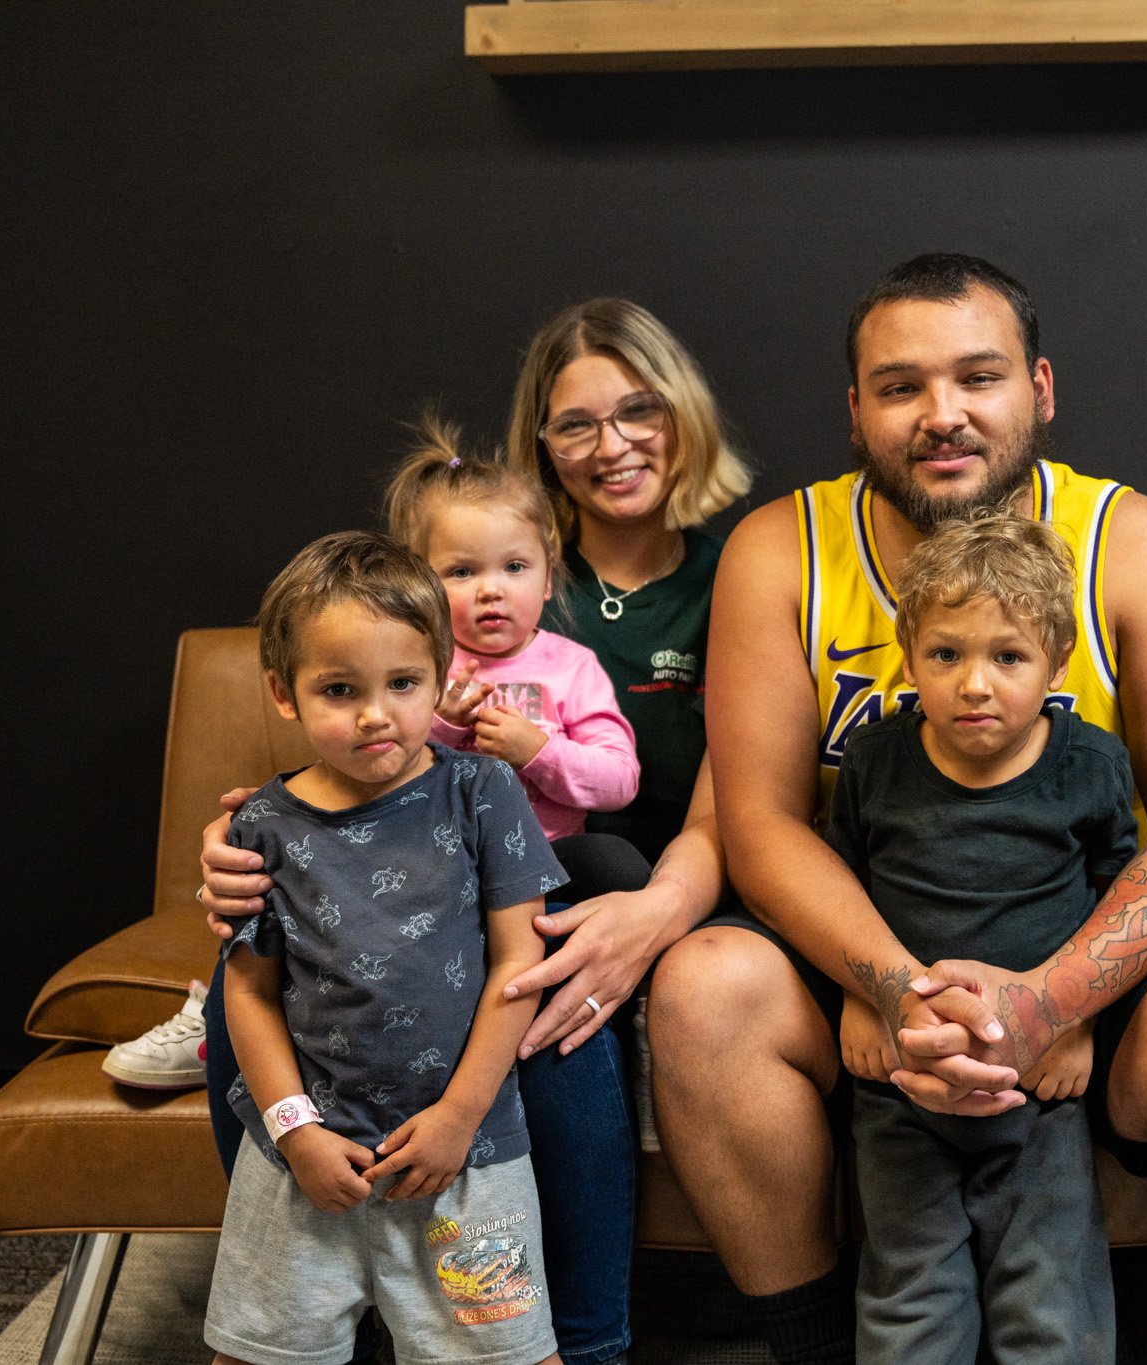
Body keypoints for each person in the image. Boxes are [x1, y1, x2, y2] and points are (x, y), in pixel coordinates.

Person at [647, 254, 1147, 1365]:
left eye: (979, 376)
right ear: (856, 410)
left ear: (1041, 388)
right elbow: (762, 822)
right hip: (870, 925)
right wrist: (890, 986)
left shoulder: (1139, 545)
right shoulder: (780, 550)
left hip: (1089, 926)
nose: (942, 415)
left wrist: (1052, 1001)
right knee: (700, 992)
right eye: (899, 385)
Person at [198, 297, 751, 1365]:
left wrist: (646, 898)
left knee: (549, 964)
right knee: (251, 996)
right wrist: (253, 838)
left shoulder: (742, 573)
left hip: (619, 865)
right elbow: (355, 709)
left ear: (682, 416)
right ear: (538, 448)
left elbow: (734, 793)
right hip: (443, 852)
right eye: (574, 422)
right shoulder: (468, 562)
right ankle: (310, 1308)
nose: (611, 444)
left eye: (639, 410)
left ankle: (578, 1339)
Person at [203, 530, 563, 1365]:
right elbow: (250, 993)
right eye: (339, 688)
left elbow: (520, 964)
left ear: (441, 677)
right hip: (303, 1162)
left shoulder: (483, 792)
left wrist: (458, 1117)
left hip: (468, 1162)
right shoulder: (260, 825)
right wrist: (295, 1131)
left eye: (404, 683)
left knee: (513, 1354)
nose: (375, 714)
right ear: (282, 692)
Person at [832, 509, 1127, 1363]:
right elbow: (837, 884)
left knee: (1051, 1293)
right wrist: (862, 999)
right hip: (900, 1082)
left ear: (1056, 663)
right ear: (909, 653)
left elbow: (1120, 903)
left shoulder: (1090, 763)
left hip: (1037, 1086)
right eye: (946, 654)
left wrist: (1080, 1020)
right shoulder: (876, 759)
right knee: (908, 1293)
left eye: (1008, 657)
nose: (974, 684)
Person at [383, 423, 641, 842]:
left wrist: (538, 752)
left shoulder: (573, 668)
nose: (491, 590)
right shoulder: (415, 662)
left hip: (553, 855)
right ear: (423, 582)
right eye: (462, 571)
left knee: (616, 862)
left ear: (548, 578)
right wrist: (441, 727)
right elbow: (378, 770)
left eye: (515, 567)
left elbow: (620, 781)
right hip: (448, 853)